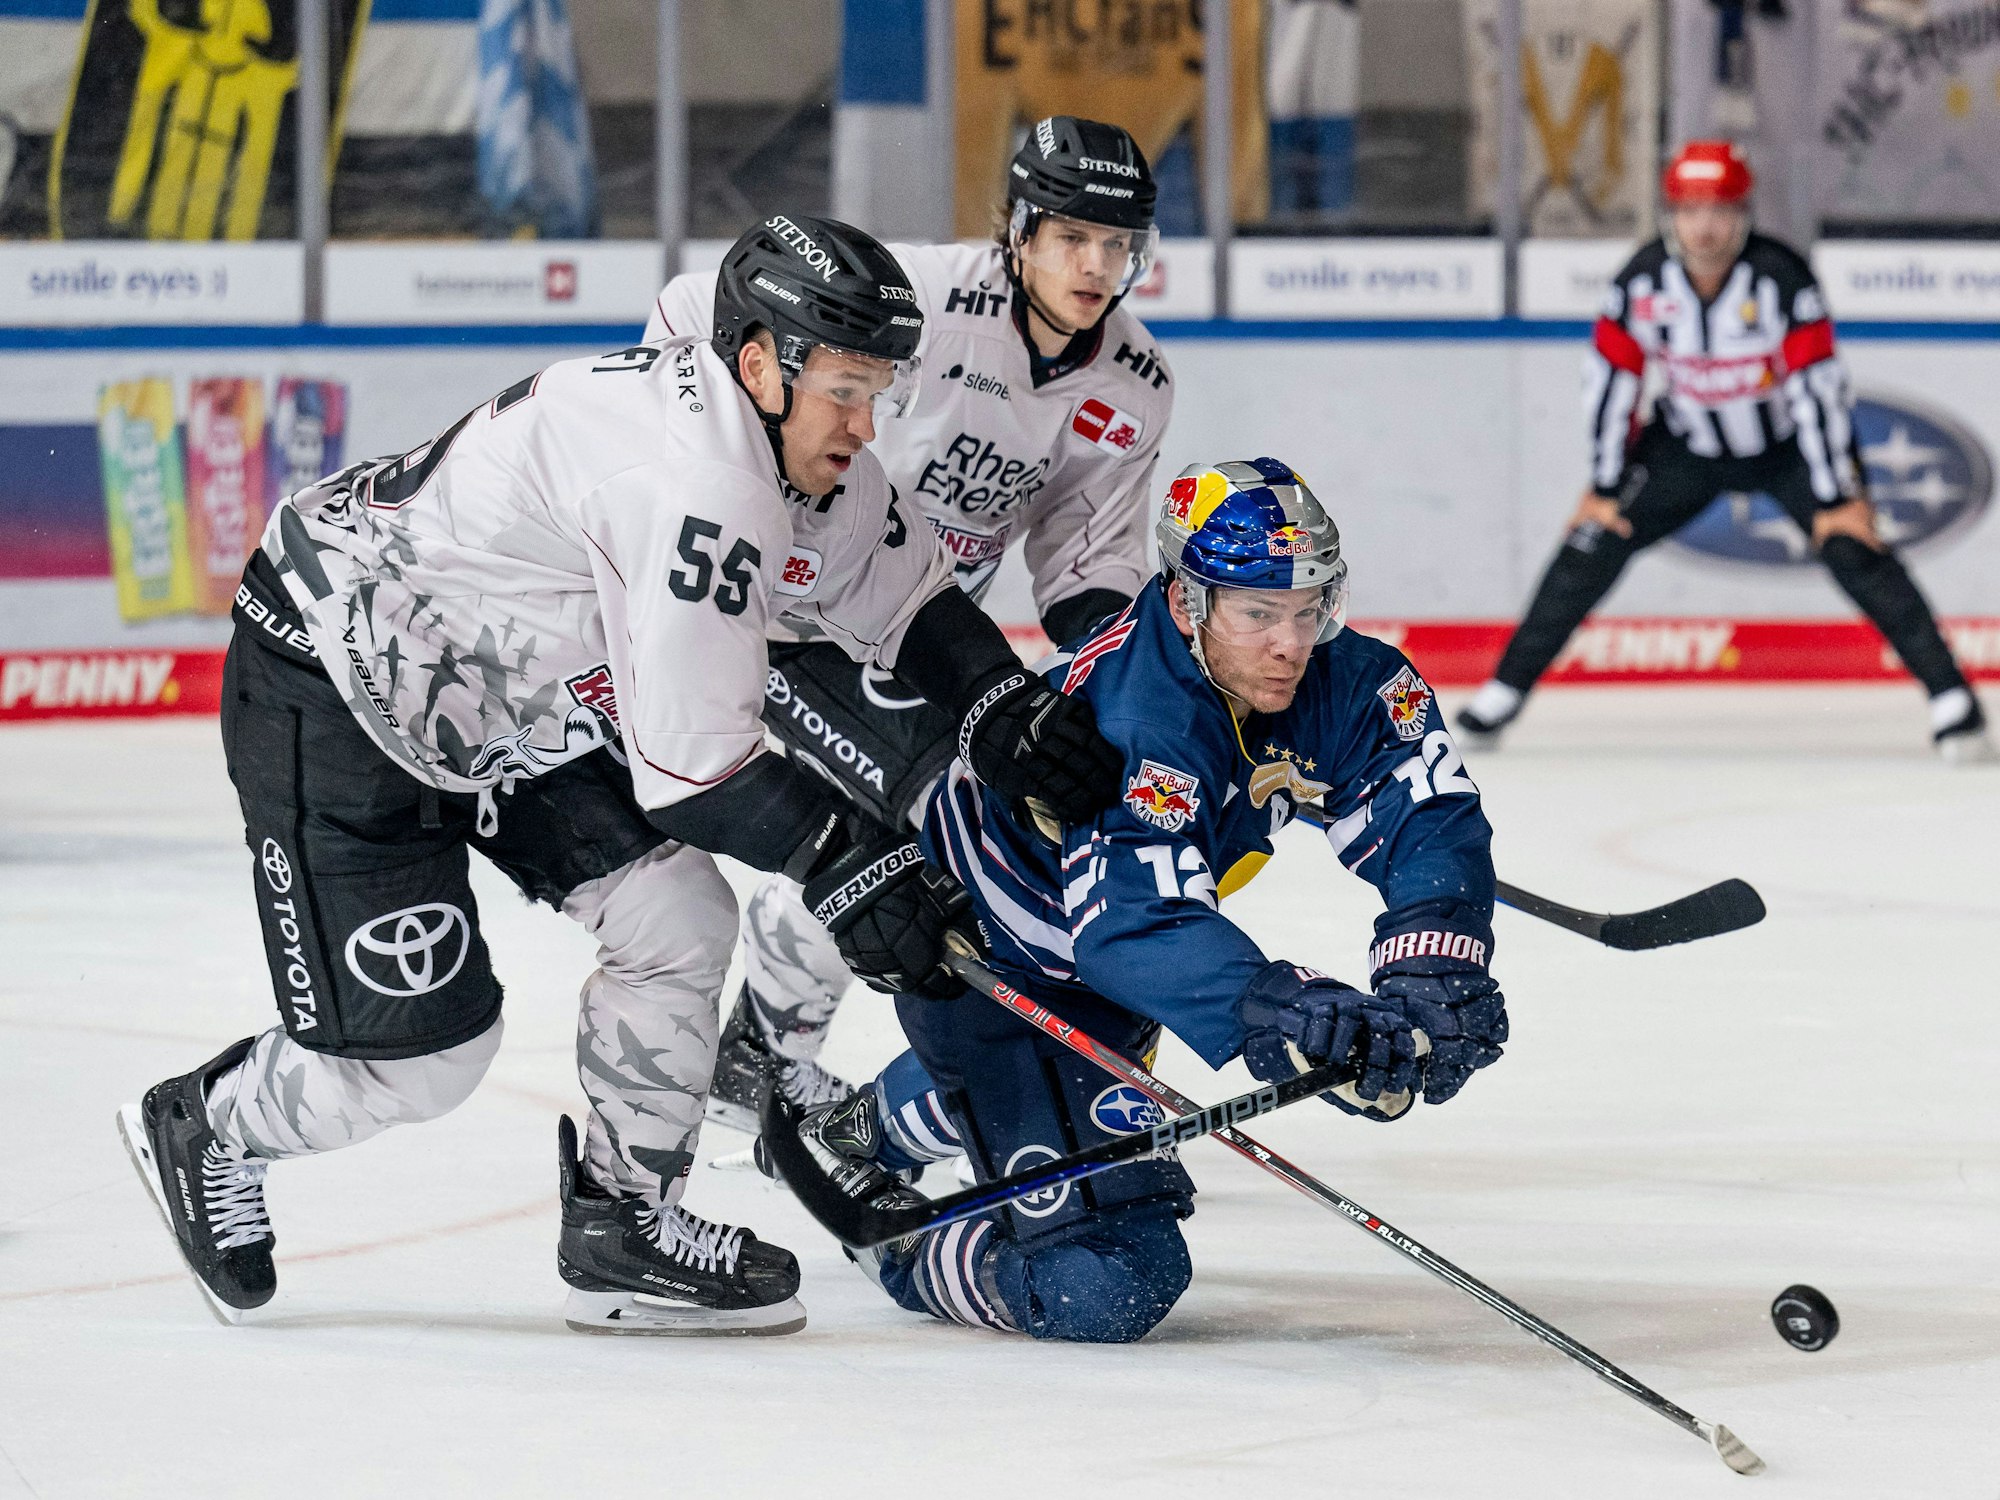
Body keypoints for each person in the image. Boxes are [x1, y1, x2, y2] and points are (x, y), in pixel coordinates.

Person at [116, 213, 1123, 1337]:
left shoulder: (776, 427)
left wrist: (1003, 706)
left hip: (506, 700)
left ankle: (621, 1220)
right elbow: (696, 774)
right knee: (427, 1064)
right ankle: (213, 1124)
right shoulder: (705, 482)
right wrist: (852, 860)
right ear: (762, 364)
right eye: (847, 389)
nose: (865, 421)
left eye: (879, 389)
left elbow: (903, 597)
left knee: (679, 918)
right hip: (338, 681)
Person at [767, 458, 1508, 1342]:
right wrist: (1288, 1012)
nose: (1292, 642)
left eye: (1310, 606)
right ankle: (898, 1244)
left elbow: (1427, 814)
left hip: (1102, 966)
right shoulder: (1136, 718)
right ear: (1190, 603)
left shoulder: (1347, 680)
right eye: (1259, 612)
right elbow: (1131, 927)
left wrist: (1433, 968)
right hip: (992, 966)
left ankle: (863, 1128)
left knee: (1063, 1121)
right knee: (1107, 1282)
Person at [642, 117, 1177, 1129]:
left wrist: (1118, 692)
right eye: (1072, 238)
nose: (1097, 266)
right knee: (919, 829)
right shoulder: (920, 295)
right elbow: (689, 311)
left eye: (1118, 246)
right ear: (1018, 232)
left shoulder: (1133, 383)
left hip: (922, 625)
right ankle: (760, 1055)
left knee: (950, 829)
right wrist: (723, 480)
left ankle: (756, 1056)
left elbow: (1085, 565)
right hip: (796, 614)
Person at [1457, 140, 1990, 761]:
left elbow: (1817, 389)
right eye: (1689, 210)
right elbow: (1609, 383)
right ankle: (1502, 693)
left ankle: (1954, 702)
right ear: (1670, 215)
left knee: (1854, 546)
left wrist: (1836, 496)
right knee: (1590, 544)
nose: (1704, 227)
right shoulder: (1641, 283)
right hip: (1684, 448)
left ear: (1743, 216)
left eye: (1720, 210)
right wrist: (1605, 486)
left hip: (1785, 448)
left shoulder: (1781, 279)